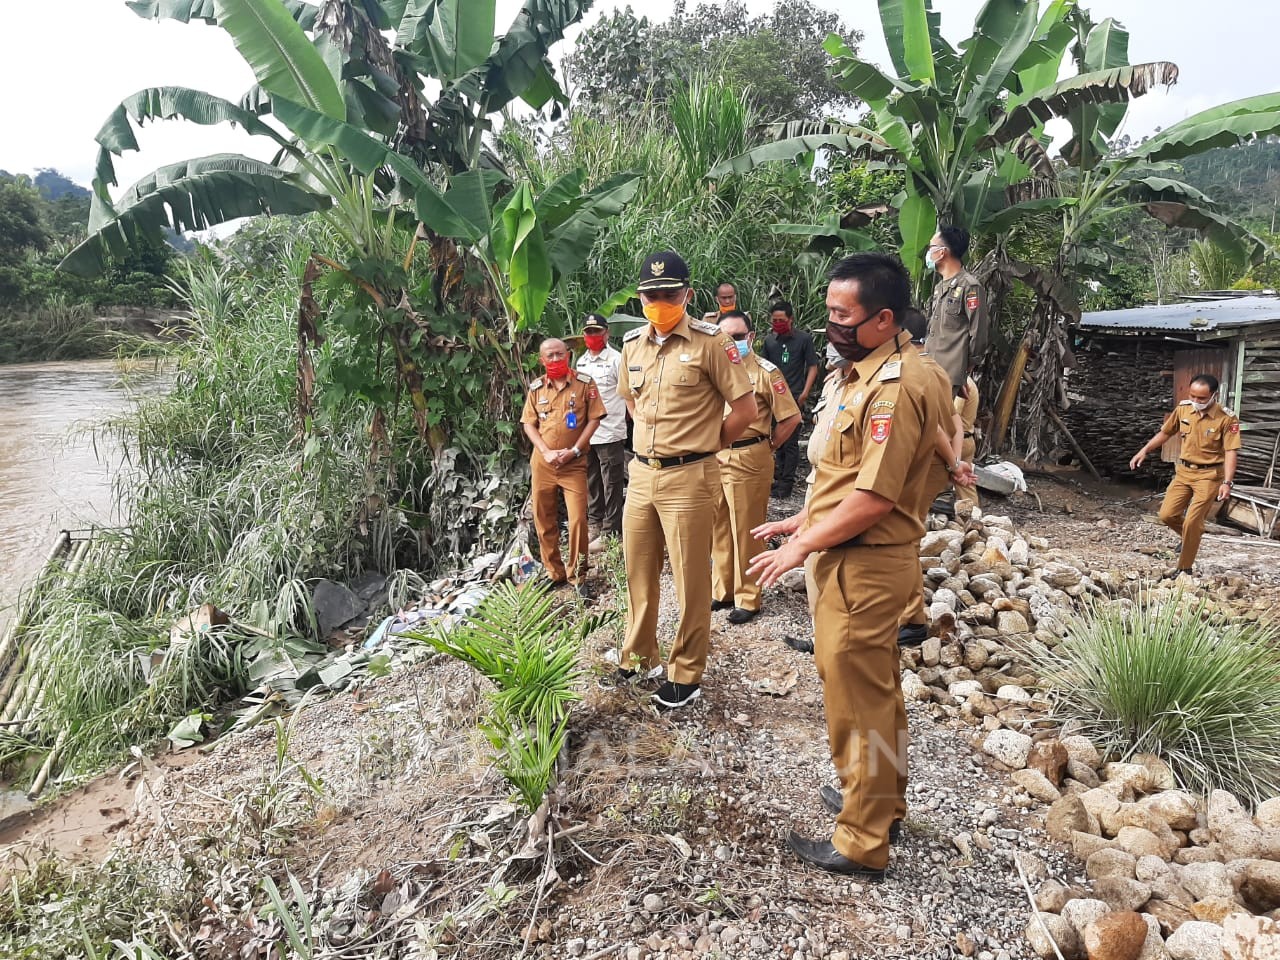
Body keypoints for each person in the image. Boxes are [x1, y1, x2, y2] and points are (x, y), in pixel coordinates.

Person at [748, 252, 947, 880]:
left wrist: (800, 548)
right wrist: (799, 523)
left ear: (884, 318)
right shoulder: (865, 372)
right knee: (878, 693)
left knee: (856, 701)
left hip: (861, 564)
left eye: (844, 314)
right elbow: (841, 479)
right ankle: (879, 803)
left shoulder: (896, 385)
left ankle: (861, 840)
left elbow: (873, 497)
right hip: (853, 553)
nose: (830, 323)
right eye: (829, 311)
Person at [615, 251, 755, 710]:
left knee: (691, 579)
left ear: (687, 295)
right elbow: (632, 404)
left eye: (668, 294)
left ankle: (685, 671)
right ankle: (639, 656)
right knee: (638, 572)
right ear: (640, 299)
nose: (659, 302)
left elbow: (746, 411)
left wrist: (705, 445)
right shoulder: (632, 345)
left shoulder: (712, 343)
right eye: (651, 295)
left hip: (691, 477)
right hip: (641, 475)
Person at [711, 310, 802, 625]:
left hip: (749, 457)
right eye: (727, 337)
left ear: (750, 337)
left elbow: (791, 417)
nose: (733, 342)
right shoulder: (715, 370)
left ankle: (748, 596)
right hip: (716, 456)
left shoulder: (766, 373)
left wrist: (770, 445)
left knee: (747, 530)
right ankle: (722, 589)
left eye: (738, 336)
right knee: (719, 527)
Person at [897, 308, 975, 647]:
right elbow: (953, 424)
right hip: (932, 465)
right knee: (905, 537)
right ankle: (906, 615)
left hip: (922, 465)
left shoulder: (917, 371)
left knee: (901, 539)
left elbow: (936, 430)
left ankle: (911, 619)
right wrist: (954, 461)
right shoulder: (936, 369)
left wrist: (954, 463)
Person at [520, 338, 607, 597]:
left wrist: (575, 450)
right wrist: (546, 452)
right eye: (550, 356)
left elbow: (594, 419)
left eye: (560, 355)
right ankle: (554, 572)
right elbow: (528, 424)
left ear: (568, 355)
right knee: (544, 517)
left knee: (579, 519)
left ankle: (578, 575)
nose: (556, 360)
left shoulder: (584, 384)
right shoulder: (536, 388)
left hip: (574, 463)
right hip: (544, 464)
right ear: (542, 360)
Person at [1129, 373, 1240, 575]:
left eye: (1202, 398)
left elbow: (1231, 451)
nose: (1196, 401)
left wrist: (1227, 482)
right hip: (1184, 472)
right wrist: (1143, 451)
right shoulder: (1183, 409)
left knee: (1192, 521)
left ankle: (1184, 568)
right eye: (1193, 396)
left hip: (1208, 476)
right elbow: (1165, 433)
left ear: (1214, 395)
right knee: (1167, 515)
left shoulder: (1227, 418)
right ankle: (1190, 537)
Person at [575, 313, 627, 552]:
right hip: (588, 433)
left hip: (610, 432)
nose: (593, 336)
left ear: (606, 333)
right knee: (592, 479)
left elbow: (627, 396)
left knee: (612, 481)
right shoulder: (581, 362)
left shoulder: (617, 359)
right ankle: (594, 523)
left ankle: (611, 530)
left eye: (597, 332)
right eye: (589, 332)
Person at [760, 300, 819, 498]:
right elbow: (763, 368)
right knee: (775, 439)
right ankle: (775, 478)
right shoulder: (769, 341)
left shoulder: (803, 339)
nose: (778, 323)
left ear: (791, 319)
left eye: (782, 320)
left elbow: (812, 366)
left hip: (794, 395)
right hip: (773, 397)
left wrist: (805, 393)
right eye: (775, 320)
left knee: (791, 441)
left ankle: (786, 483)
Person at [924, 225, 989, 394]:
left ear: (942, 252)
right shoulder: (940, 287)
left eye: (931, 247)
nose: (928, 253)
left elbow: (978, 330)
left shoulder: (970, 287)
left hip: (948, 372)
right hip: (928, 368)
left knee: (937, 420)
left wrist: (965, 368)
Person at [955, 375, 981, 510]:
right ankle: (975, 515)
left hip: (957, 440)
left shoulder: (961, 383)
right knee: (965, 484)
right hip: (966, 438)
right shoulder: (968, 381)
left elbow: (953, 413)